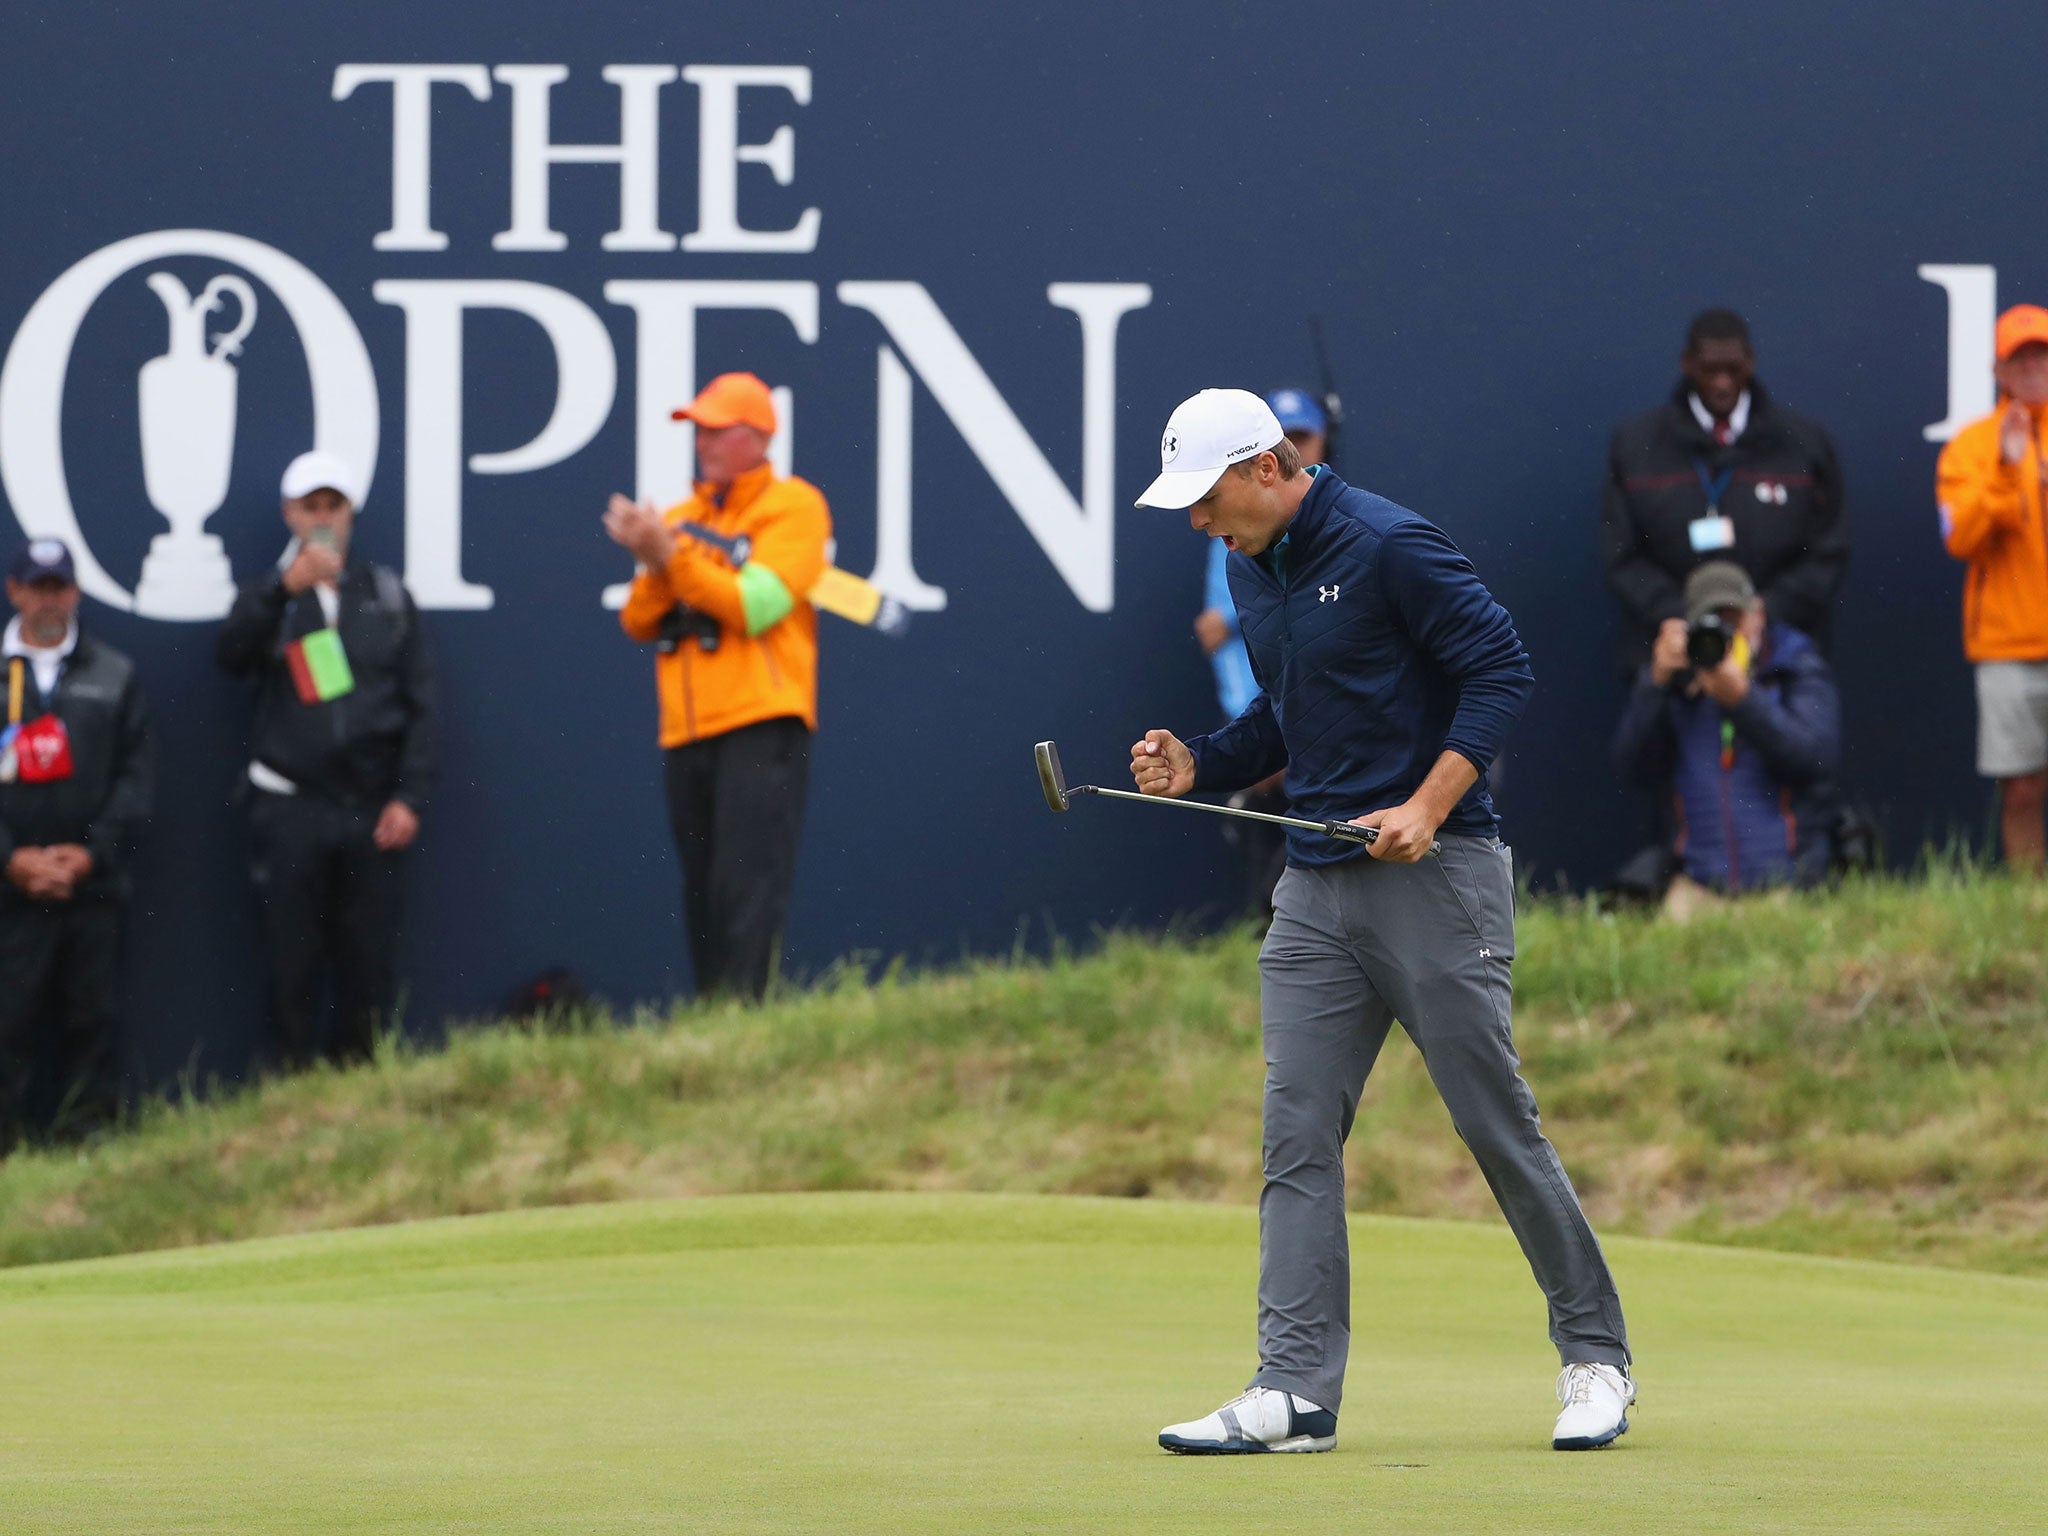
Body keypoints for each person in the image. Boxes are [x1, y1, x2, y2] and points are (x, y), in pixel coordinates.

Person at [1131, 389, 1633, 1455]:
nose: (1195, 520)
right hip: (1311, 886)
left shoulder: (1389, 544)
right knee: (1294, 1130)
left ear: (1266, 467)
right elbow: (1285, 714)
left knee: (1492, 1121)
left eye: (1206, 494)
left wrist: (1425, 804)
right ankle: (1293, 1390)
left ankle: (1595, 1357)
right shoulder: (1244, 564)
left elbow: (1500, 672)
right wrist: (1201, 762)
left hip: (1434, 872)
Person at [604, 372, 830, 1001]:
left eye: (715, 429)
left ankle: (746, 1018)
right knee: (701, 883)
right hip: (688, 730)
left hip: (763, 720)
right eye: (696, 429)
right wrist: (657, 558)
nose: (701, 441)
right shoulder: (681, 517)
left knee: (747, 881)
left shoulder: (795, 506)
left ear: (757, 437)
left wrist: (669, 558)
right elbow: (637, 619)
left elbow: (757, 606)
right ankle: (714, 1022)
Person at [216, 452, 436, 1070]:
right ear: (290, 515)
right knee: (290, 962)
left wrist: (408, 797)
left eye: (332, 507)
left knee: (368, 965)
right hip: (289, 806)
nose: (322, 519)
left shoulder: (386, 597)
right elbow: (230, 656)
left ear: (350, 515)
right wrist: (283, 589)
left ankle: (358, 1096)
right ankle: (285, 1096)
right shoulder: (269, 596)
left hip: (370, 812)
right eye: (310, 507)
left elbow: (423, 705)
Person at [1, 539, 152, 1144]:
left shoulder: (112, 674)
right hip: (9, 896)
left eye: (58, 587)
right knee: (5, 1025)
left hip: (90, 890)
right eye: (36, 587)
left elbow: (136, 780)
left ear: (76, 592)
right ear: (14, 592)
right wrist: (9, 859)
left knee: (92, 1024)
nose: (48, 600)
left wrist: (89, 854)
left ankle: (88, 1158)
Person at [1602, 309, 1848, 672]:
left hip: (1781, 663)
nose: (1722, 383)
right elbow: (1622, 557)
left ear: (1751, 362)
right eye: (1709, 369)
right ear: (1687, 363)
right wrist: (1686, 616)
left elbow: (1829, 551)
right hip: (1672, 660)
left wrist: (1766, 611)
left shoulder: (1805, 445)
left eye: (1733, 369)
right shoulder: (1636, 446)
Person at [1611, 562, 1840, 908]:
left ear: (1758, 614)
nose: (1726, 635)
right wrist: (1654, 682)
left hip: (1788, 887)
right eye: (1712, 623)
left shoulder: (1794, 666)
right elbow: (1632, 769)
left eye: (1733, 620)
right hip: (1698, 888)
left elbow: (1815, 759)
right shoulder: (1679, 682)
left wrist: (1744, 700)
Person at [1191, 389, 1330, 915]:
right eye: (1285, 435)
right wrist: (1263, 735)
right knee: (1273, 903)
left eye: (1304, 437)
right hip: (1277, 733)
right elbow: (1228, 637)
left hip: (1330, 757)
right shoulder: (1235, 542)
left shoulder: (1366, 536)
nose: (1198, 519)